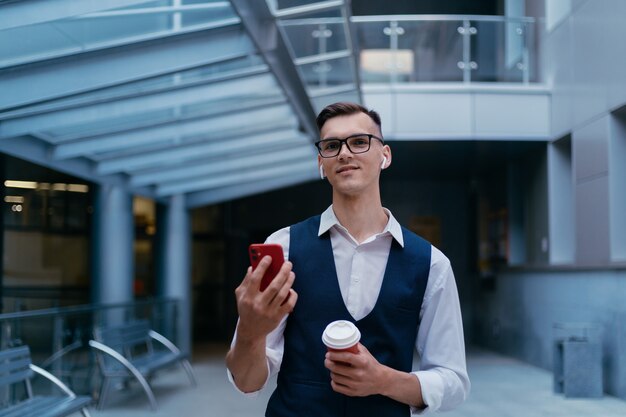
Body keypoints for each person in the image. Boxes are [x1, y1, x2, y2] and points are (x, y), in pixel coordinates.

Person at [226, 102, 470, 416]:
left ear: (385, 155)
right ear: (320, 163)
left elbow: (453, 381)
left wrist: (382, 380)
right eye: (331, 145)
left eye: (359, 142)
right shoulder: (284, 246)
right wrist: (249, 330)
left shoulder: (431, 264)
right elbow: (247, 382)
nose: (344, 153)